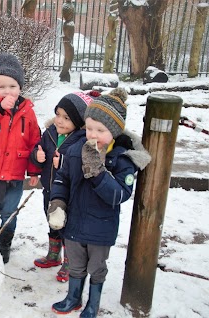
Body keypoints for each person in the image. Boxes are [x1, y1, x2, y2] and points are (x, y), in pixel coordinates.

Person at [47, 88, 151, 317]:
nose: (93, 135)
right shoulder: (75, 151)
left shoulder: (122, 160)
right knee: (75, 265)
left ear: (113, 131)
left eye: (100, 130)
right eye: (89, 128)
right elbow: (63, 178)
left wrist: (98, 173)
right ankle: (73, 297)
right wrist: (57, 202)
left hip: (100, 228)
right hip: (74, 224)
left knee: (96, 268)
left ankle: (92, 304)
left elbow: (119, 195)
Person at [0, 52, 41, 264]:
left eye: (12, 86)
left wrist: (33, 171)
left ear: (20, 88)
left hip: (14, 174)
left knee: (10, 212)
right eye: (1, 87)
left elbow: (34, 141)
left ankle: (4, 243)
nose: (7, 91)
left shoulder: (27, 111)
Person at [31, 91, 96, 282]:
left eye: (66, 118)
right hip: (49, 190)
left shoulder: (82, 139)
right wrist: (37, 155)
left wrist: (66, 161)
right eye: (58, 115)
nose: (59, 121)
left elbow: (84, 165)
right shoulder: (50, 133)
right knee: (52, 221)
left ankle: (70, 262)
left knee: (67, 227)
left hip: (70, 195)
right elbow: (38, 148)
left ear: (78, 121)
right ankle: (54, 255)